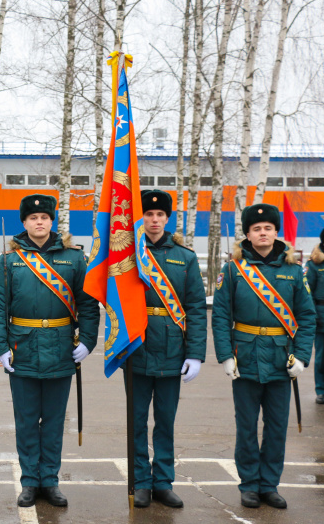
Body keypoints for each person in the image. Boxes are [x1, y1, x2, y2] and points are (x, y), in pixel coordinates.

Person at [0, 194, 100, 508]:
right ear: (24, 222)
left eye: (45, 217)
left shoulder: (75, 258)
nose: (39, 222)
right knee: (25, 421)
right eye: (33, 217)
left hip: (61, 348)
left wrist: (88, 341)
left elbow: (88, 306)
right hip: (22, 347)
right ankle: (29, 482)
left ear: (52, 221)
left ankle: (49, 480)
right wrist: (0, 346)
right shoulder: (10, 260)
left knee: (53, 421)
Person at [212, 203, 315, 509]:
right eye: (256, 228)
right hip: (244, 357)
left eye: (268, 228)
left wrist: (302, 357)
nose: (263, 233)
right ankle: (249, 485)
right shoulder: (233, 269)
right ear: (247, 234)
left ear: (275, 231)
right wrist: (225, 356)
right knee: (246, 426)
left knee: (276, 426)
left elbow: (307, 317)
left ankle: (269, 484)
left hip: (281, 359)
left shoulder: (294, 271)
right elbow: (220, 315)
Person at [130, 190, 207, 509]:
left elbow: (196, 308)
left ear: (167, 218)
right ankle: (141, 481)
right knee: (135, 421)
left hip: (173, 349)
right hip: (136, 345)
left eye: (160, 215)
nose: (154, 220)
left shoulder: (184, 257)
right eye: (148, 214)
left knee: (165, 420)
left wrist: (196, 353)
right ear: (141, 218)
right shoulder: (129, 254)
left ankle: (162, 481)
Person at [306, 226, 324, 404]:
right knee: (321, 359)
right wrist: (312, 315)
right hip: (323, 317)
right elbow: (306, 292)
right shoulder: (315, 264)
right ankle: (321, 390)